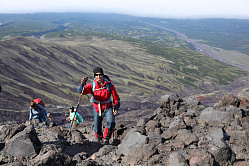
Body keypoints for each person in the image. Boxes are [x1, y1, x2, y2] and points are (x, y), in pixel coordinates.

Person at [77, 67, 120, 145]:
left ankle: (106, 139)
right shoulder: (92, 85)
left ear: (103, 75)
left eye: (100, 75)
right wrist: (82, 84)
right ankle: (99, 139)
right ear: (94, 76)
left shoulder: (109, 85)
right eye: (96, 75)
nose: (98, 77)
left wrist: (116, 107)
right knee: (97, 125)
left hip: (108, 107)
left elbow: (116, 97)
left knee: (111, 122)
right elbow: (81, 91)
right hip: (97, 108)